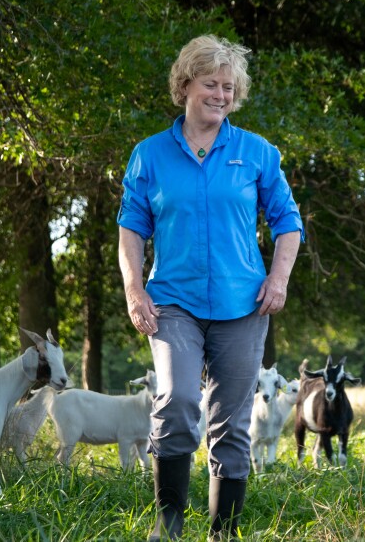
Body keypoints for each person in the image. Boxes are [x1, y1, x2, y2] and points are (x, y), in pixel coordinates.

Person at [117, 34, 304, 541]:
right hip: (172, 301)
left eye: (228, 87)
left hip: (242, 304)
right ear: (184, 86)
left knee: (232, 422)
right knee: (177, 399)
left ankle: (224, 533)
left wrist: (278, 278)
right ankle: (169, 524)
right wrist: (135, 290)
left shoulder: (257, 153)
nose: (220, 95)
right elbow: (131, 229)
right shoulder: (149, 155)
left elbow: (288, 220)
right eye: (210, 84)